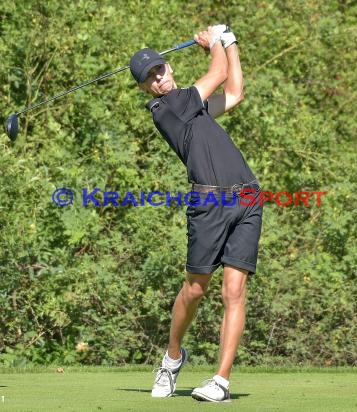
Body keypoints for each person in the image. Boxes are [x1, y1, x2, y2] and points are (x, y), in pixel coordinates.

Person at [129, 25, 263, 403]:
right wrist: (216, 41)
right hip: (209, 205)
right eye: (150, 79)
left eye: (160, 70)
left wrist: (231, 43)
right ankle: (172, 357)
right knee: (195, 287)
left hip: (248, 197)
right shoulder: (165, 107)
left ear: (169, 67)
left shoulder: (195, 106)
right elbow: (218, 73)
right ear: (144, 88)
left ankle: (221, 380)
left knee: (234, 290)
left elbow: (234, 92)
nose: (158, 80)